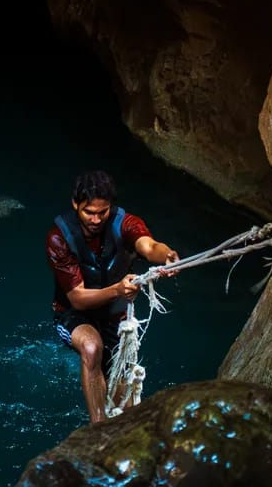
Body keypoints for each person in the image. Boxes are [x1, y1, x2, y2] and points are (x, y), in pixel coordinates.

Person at [47, 168, 179, 424]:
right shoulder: (58, 237)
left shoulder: (126, 223)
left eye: (102, 212)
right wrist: (117, 290)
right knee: (92, 347)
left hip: (115, 317)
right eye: (89, 212)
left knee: (127, 411)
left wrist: (167, 256)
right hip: (73, 315)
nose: (96, 220)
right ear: (76, 204)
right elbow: (77, 298)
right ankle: (97, 428)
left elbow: (148, 245)